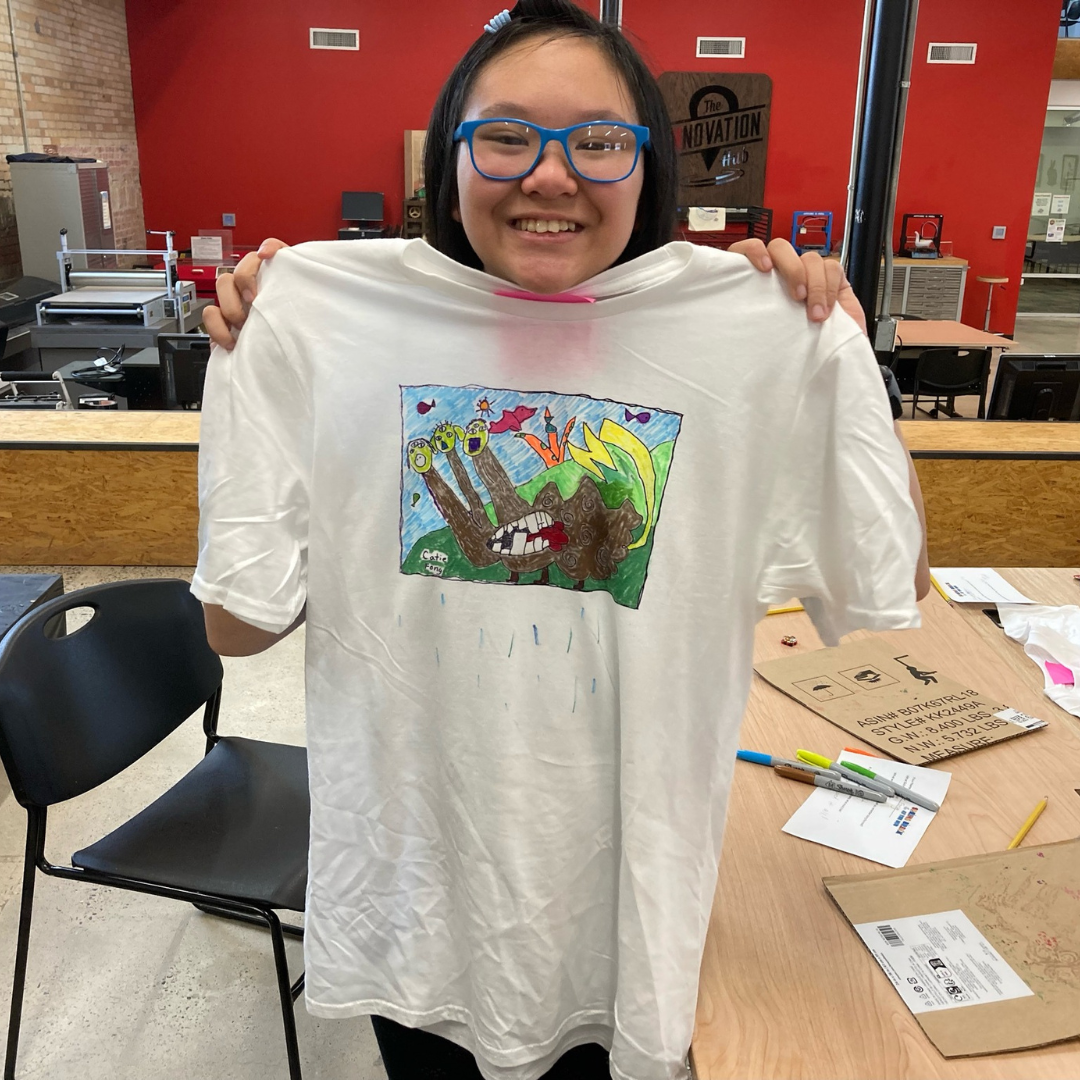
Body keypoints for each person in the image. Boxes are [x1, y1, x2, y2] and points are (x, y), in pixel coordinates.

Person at [193, 4, 930, 1078]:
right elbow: (235, 622)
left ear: (648, 163)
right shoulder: (316, 315)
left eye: (596, 139)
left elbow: (886, 585)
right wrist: (271, 350)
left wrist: (841, 371)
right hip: (421, 907)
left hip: (623, 918)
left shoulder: (755, 331)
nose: (550, 175)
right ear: (453, 156)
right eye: (505, 136)